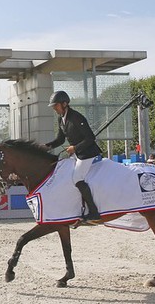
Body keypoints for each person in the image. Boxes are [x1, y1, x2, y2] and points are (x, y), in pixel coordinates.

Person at [45, 90, 102, 222]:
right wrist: (46, 146)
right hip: (78, 154)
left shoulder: (76, 117)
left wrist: (74, 148)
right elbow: (60, 139)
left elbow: (90, 138)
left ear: (64, 104)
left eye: (56, 105)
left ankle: (94, 212)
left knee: (77, 178)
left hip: (88, 154)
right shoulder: (61, 119)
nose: (54, 108)